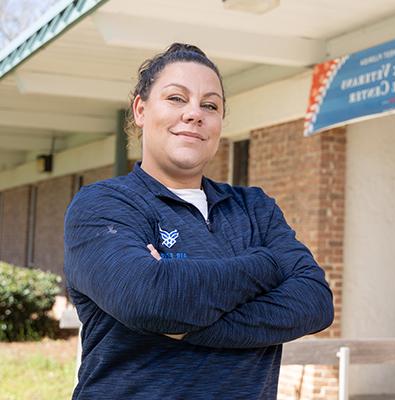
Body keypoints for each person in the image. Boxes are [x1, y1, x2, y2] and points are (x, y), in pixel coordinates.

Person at [63, 43, 334, 399]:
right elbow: (148, 300)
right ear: (141, 110)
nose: (195, 114)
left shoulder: (253, 208)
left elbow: (315, 303)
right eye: (176, 98)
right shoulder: (103, 205)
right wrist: (268, 266)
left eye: (210, 105)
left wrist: (188, 324)